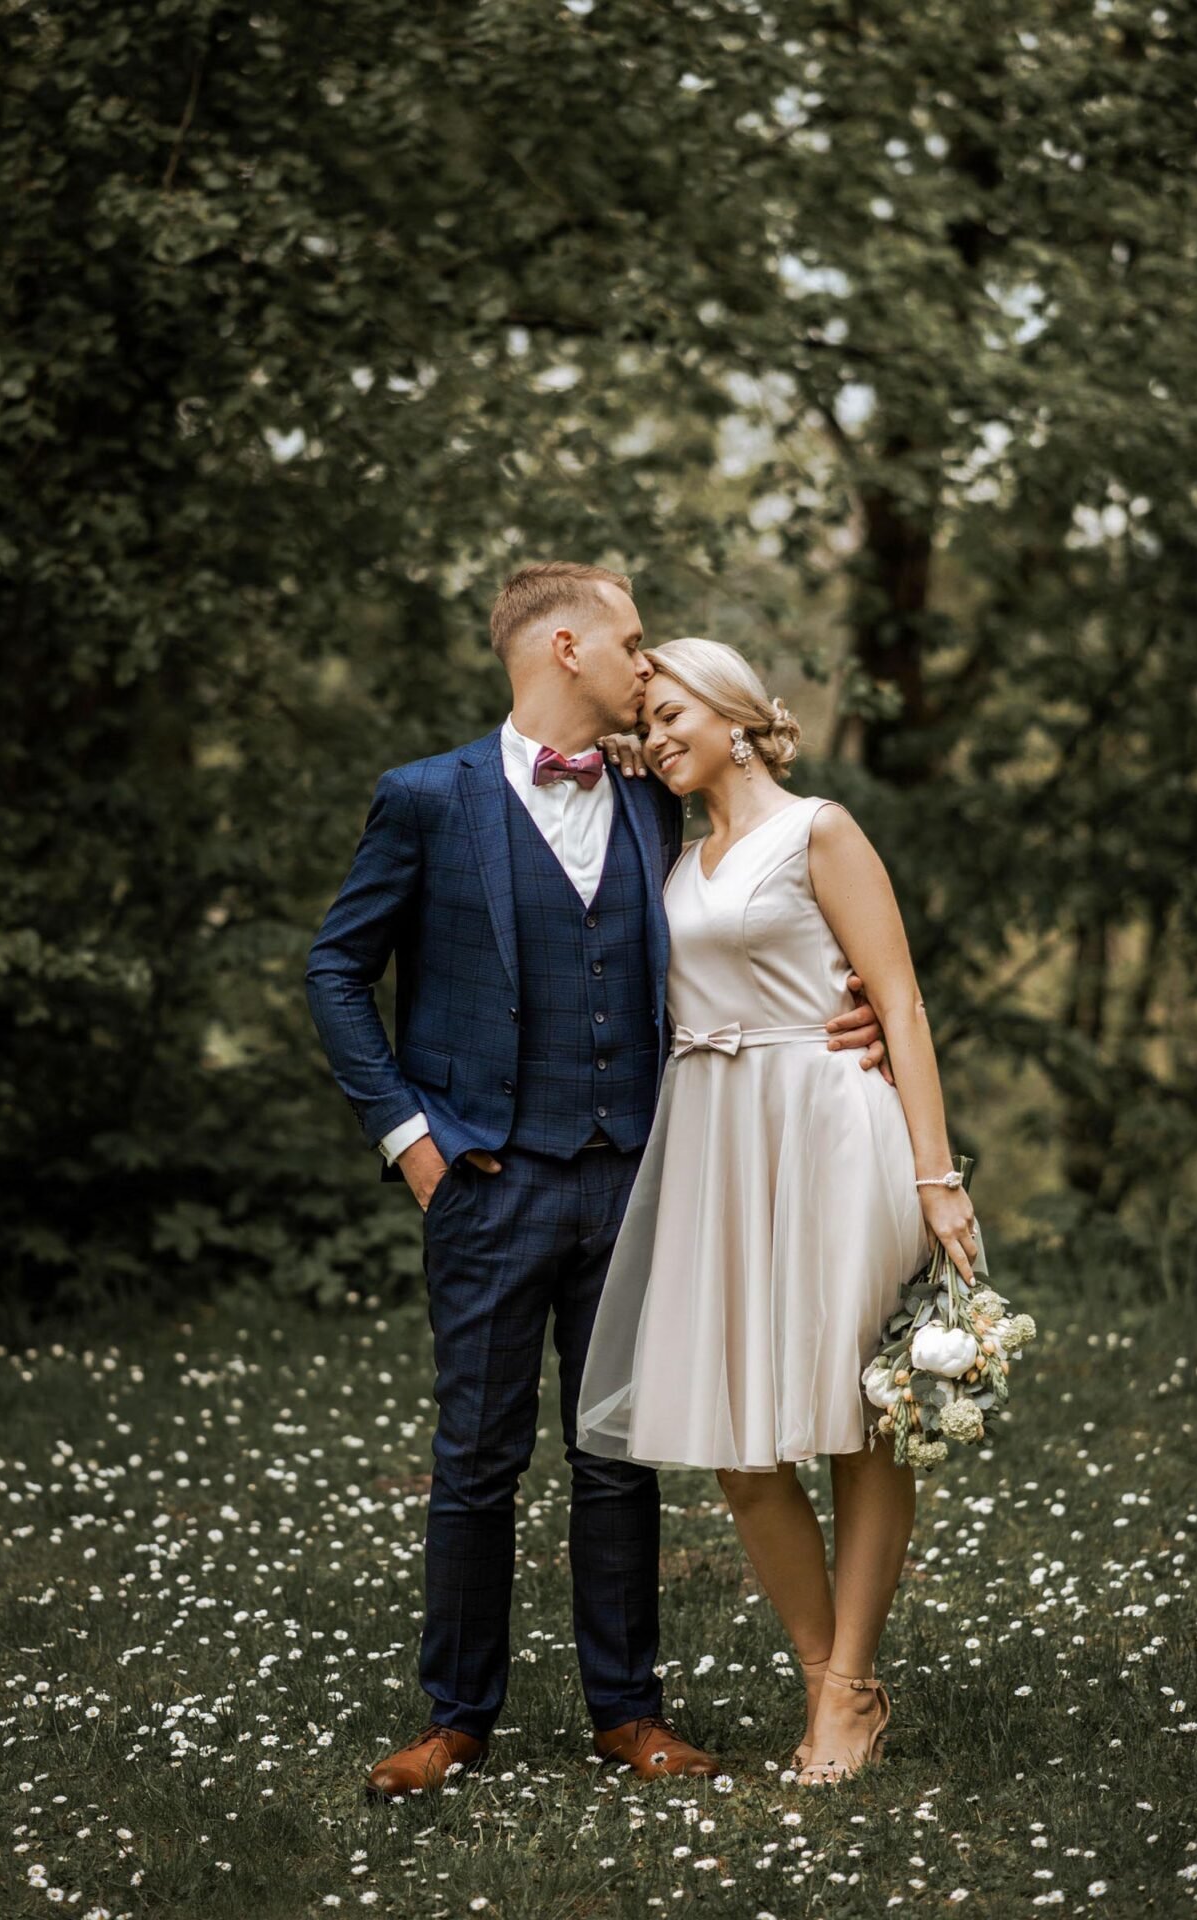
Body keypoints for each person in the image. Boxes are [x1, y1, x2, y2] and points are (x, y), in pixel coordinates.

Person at [304, 565, 887, 1794]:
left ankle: (628, 1714)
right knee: (477, 1450)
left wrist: (857, 1017)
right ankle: (454, 1718)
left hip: (639, 1172)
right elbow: (335, 972)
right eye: (631, 642)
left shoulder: (650, 796)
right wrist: (411, 1138)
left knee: (617, 1452)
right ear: (566, 648)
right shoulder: (425, 799)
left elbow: (757, 916)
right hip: (484, 1176)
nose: (646, 662)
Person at [577, 635, 980, 1787]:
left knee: (854, 1419)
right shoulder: (670, 846)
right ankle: (820, 1676)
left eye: (670, 715)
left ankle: (851, 1690)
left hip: (825, 1127)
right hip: (712, 1142)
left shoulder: (822, 831)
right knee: (736, 1443)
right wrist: (628, 739)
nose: (653, 737)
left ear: (735, 709)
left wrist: (935, 1174)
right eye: (641, 722)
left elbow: (897, 1006)